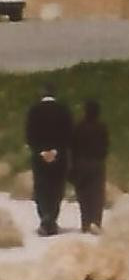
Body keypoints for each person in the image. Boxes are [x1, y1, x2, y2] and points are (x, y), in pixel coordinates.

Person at [24, 89, 72, 234]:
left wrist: (42, 151)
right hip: (59, 156)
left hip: (40, 156)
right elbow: (69, 134)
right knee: (56, 187)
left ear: (42, 94)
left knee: (41, 187)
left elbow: (29, 134)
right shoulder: (64, 110)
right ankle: (52, 217)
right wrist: (55, 151)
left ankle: (45, 217)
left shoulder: (34, 111)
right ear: (55, 94)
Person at [70, 99, 109, 233]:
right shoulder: (102, 127)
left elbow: (73, 147)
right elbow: (105, 147)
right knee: (97, 194)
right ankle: (96, 221)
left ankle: (85, 221)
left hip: (81, 163)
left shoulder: (78, 127)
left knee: (84, 194)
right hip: (97, 163)